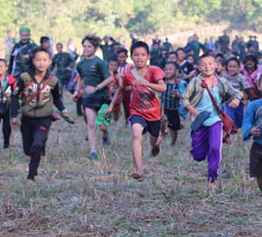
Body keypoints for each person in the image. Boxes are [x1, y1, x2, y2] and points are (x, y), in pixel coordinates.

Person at [11, 46, 74, 181]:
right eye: (38, 59)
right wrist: (14, 116)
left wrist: (64, 111)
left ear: (50, 61)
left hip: (44, 118)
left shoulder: (53, 80)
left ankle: (31, 176)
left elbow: (57, 98)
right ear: (33, 61)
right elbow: (14, 96)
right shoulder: (24, 77)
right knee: (28, 150)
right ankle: (39, 148)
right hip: (27, 119)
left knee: (36, 145)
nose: (41, 63)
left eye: (44, 60)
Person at [105, 41, 166, 179]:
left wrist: (146, 83)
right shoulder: (128, 75)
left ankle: (156, 144)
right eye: (136, 55)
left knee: (153, 140)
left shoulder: (155, 71)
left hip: (154, 113)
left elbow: (163, 88)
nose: (139, 58)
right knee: (136, 134)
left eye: (143, 55)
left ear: (148, 56)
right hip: (136, 112)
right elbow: (120, 90)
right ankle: (139, 170)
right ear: (131, 57)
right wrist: (111, 106)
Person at [181, 53, 241, 189]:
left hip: (215, 120)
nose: (207, 67)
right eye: (203, 64)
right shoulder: (196, 82)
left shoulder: (221, 82)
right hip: (199, 122)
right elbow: (184, 99)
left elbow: (236, 93)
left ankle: (212, 179)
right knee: (198, 155)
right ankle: (199, 152)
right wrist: (195, 112)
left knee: (215, 148)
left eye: (210, 64)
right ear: (199, 67)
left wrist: (236, 100)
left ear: (216, 65)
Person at [74, 35, 111, 160]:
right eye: (84, 46)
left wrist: (96, 88)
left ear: (95, 49)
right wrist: (77, 90)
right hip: (88, 98)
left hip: (102, 97)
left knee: (102, 126)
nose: (86, 49)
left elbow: (110, 78)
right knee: (91, 124)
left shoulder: (100, 63)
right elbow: (81, 78)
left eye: (89, 46)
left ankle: (105, 135)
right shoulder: (80, 64)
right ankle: (93, 151)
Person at [159, 62, 186, 146]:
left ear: (177, 72)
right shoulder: (162, 82)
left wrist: (178, 95)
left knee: (174, 129)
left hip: (174, 110)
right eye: (166, 69)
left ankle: (173, 142)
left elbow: (184, 96)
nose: (167, 71)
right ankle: (162, 134)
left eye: (170, 69)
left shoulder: (179, 84)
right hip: (164, 108)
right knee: (163, 121)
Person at [223, 58, 248, 130]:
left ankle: (238, 128)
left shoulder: (241, 77)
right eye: (230, 67)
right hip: (228, 101)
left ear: (238, 68)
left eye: (234, 67)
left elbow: (246, 88)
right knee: (230, 116)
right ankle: (231, 131)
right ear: (227, 67)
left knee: (240, 118)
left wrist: (251, 99)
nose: (232, 69)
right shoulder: (224, 77)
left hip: (239, 101)